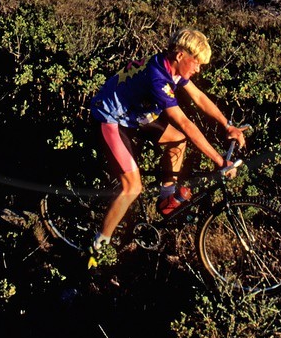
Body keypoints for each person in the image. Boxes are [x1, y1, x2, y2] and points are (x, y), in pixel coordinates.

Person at [85, 27, 245, 267]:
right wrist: (220, 161)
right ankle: (98, 247)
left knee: (177, 140)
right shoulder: (158, 77)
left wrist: (227, 125)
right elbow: (185, 123)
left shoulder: (173, 67)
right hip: (111, 118)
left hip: (136, 115)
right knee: (132, 187)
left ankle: (165, 200)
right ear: (181, 55)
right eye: (196, 63)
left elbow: (199, 97)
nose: (198, 69)